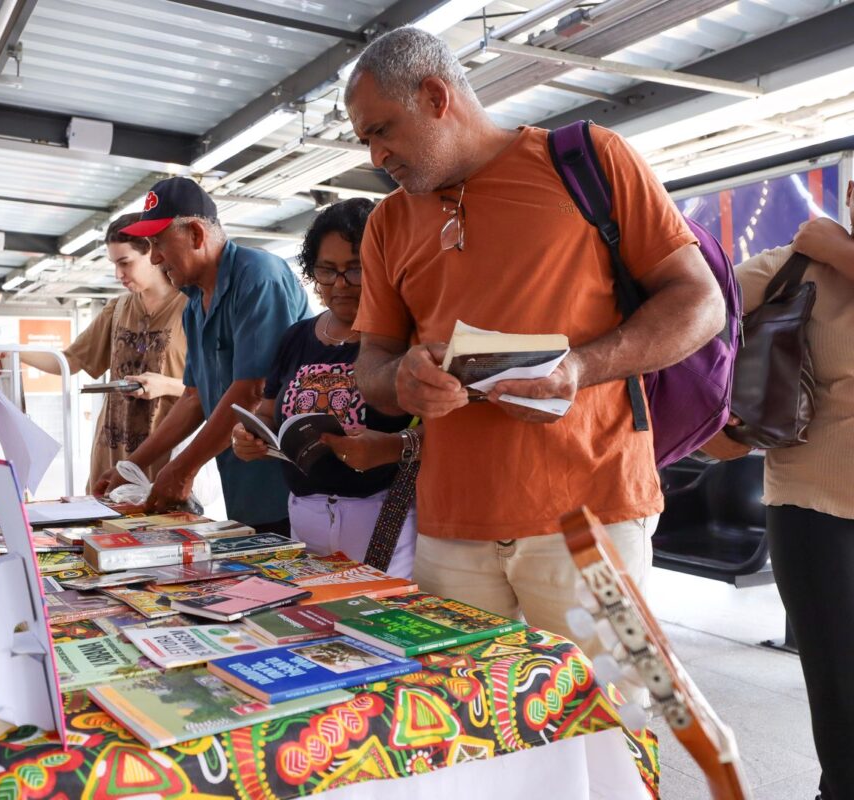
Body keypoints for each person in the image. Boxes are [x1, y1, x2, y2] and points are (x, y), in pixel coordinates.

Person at [344, 28, 724, 683]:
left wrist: (579, 368)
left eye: (383, 131)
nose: (379, 157)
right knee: (460, 731)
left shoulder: (587, 160)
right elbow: (371, 365)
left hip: (593, 519)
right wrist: (398, 380)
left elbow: (699, 303)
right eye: (366, 141)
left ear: (437, 96)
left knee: (617, 719)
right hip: (449, 529)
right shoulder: (386, 224)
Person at [703, 182, 854, 800]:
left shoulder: (829, 253)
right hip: (817, 512)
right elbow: (690, 317)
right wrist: (712, 422)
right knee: (841, 696)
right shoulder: (796, 264)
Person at [95, 177, 310, 532]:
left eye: (159, 243)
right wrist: (130, 466)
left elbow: (253, 390)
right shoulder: (195, 306)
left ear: (196, 234)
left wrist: (183, 469)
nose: (157, 257)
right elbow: (193, 398)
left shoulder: (258, 278)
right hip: (244, 486)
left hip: (290, 482)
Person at [231, 198, 418, 577]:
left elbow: (440, 428)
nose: (340, 284)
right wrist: (248, 437)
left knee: (373, 620)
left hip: (383, 517)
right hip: (303, 515)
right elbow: (269, 414)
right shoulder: (296, 337)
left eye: (355, 270)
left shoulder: (407, 335)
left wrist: (388, 449)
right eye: (327, 270)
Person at [0, 214, 188, 490]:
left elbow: (211, 391)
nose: (119, 275)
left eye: (125, 263)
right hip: (111, 457)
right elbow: (69, 361)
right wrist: (16, 351)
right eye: (114, 265)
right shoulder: (116, 310)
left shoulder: (190, 309)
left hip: (162, 457)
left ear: (153, 253)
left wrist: (164, 384)